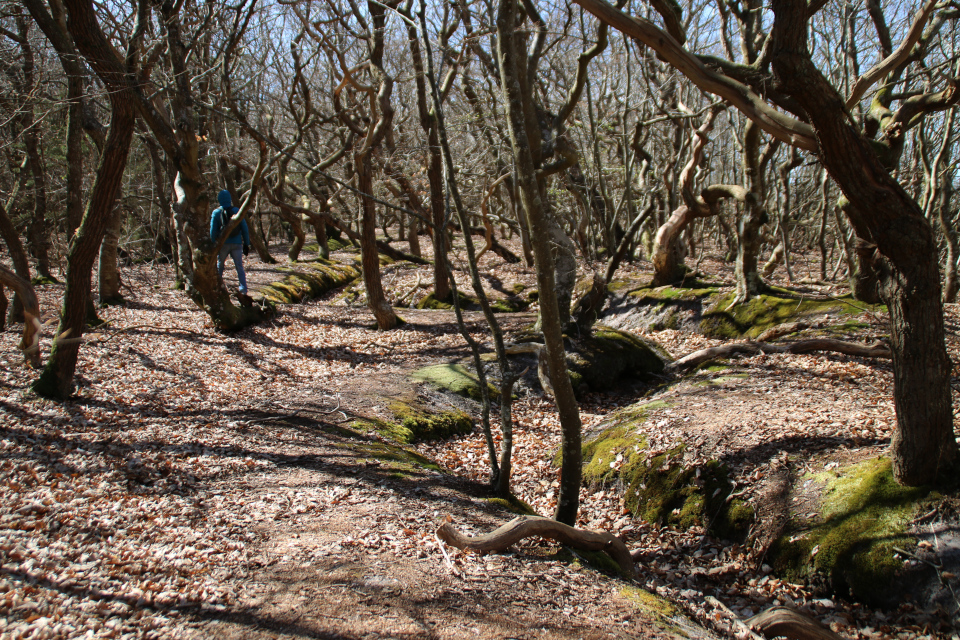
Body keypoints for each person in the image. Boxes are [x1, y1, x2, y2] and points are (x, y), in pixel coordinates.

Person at [209, 189, 251, 294]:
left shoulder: (216, 212)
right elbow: (244, 228)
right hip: (237, 244)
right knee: (239, 267)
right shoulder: (237, 211)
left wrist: (212, 244)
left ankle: (217, 288)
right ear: (230, 199)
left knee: (220, 266)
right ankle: (243, 289)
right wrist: (246, 243)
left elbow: (213, 231)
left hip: (223, 244)